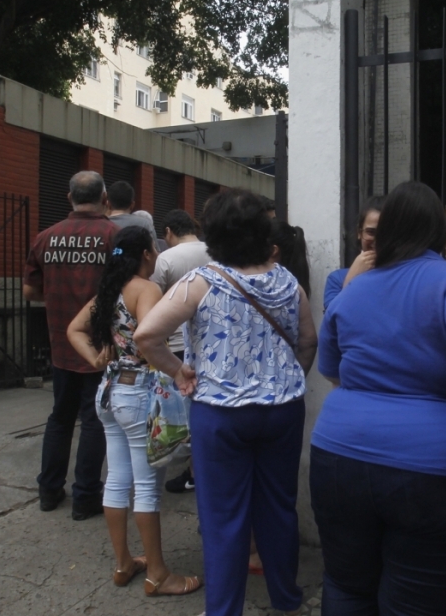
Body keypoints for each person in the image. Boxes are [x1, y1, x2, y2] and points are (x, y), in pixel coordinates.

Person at [311, 181, 446, 616]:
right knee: (416, 602)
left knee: (347, 586)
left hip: (339, 459)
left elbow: (330, 369)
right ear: (437, 233)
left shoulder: (354, 290)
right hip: (441, 475)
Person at [135, 188, 317, 616]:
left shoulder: (201, 282)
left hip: (221, 415)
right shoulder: (288, 281)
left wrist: (178, 370)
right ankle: (287, 599)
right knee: (278, 507)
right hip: (283, 411)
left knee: (223, 517)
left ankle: (224, 610)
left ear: (212, 235)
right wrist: (285, 381)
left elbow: (146, 336)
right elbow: (308, 342)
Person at [66, 226, 202, 596]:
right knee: (146, 487)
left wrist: (96, 357)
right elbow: (149, 338)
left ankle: (125, 562)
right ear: (145, 253)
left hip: (110, 391)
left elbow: (73, 330)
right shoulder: (146, 289)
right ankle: (157, 573)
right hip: (139, 391)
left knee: (116, 480)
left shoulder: (108, 292)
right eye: (154, 250)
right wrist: (177, 368)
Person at [23, 170, 118, 520]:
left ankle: (49, 490)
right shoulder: (115, 237)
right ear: (105, 198)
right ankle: (85, 496)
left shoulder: (46, 238)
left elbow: (30, 291)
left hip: (62, 346)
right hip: (102, 349)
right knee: (94, 420)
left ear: (69, 198)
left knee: (60, 417)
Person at [150, 208, 212, 494]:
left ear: (168, 233)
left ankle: (184, 465)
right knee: (199, 412)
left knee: (178, 413)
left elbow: (152, 301)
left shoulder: (166, 258)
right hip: (206, 343)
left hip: (173, 345)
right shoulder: (212, 251)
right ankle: (196, 472)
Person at [323, 195, 383, 310]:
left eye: (385, 232)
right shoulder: (337, 279)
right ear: (359, 233)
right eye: (371, 232)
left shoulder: (403, 276)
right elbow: (332, 320)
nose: (378, 240)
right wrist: (352, 278)